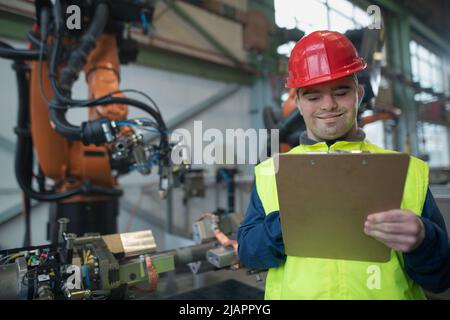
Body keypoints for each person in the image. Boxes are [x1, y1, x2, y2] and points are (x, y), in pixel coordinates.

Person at [237, 30, 450, 299]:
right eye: (314, 97)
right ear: (299, 103)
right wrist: (291, 221)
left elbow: (441, 277)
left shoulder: (405, 172)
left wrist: (423, 240)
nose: (329, 105)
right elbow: (249, 254)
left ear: (359, 93)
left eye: (341, 92)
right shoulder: (271, 173)